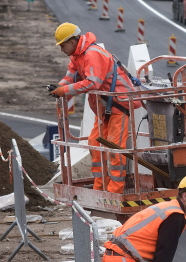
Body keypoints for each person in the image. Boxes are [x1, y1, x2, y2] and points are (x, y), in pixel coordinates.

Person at [52, 23, 142, 193]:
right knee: (94, 144)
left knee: (115, 150)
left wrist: (64, 90)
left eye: (62, 45)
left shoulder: (92, 55)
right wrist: (58, 87)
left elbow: (94, 83)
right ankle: (99, 188)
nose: (61, 49)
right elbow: (70, 78)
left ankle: (114, 192)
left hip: (119, 105)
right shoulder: (77, 56)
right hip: (104, 108)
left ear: (72, 42)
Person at [103, 174, 186, 262]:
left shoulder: (168, 207)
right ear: (185, 196)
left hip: (116, 255)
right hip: (123, 257)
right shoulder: (175, 216)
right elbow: (163, 257)